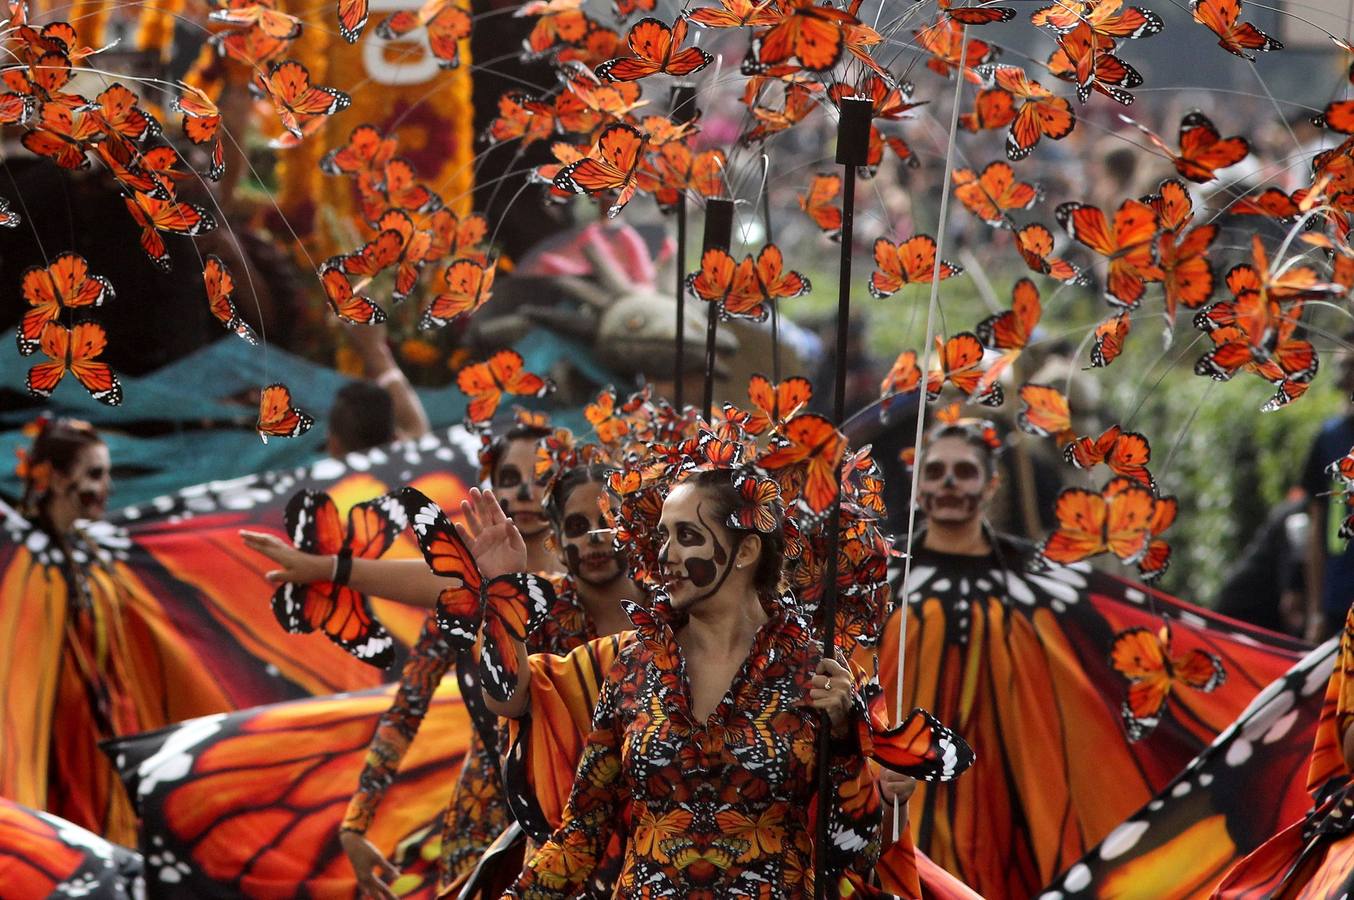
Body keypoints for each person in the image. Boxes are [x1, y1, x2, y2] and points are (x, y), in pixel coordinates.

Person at [876, 420, 1308, 898]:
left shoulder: (1040, 579)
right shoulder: (881, 581)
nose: (949, 484)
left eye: (964, 471)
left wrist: (1298, 678)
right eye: (935, 472)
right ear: (918, 486)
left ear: (992, 483)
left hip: (1012, 791)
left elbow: (1123, 636)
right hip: (905, 785)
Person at [483, 466, 881, 897]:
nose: (666, 555)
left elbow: (856, 852)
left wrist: (845, 737)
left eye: (687, 536)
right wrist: (499, 591)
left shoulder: (818, 673)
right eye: (664, 536)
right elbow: (581, 837)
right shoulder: (635, 662)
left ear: (745, 550)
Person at [1, 418, 234, 844]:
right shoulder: (25, 561)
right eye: (94, 474)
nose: (106, 487)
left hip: (114, 725)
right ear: (54, 478)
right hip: (59, 738)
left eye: (108, 474)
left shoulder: (99, 552)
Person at [1302, 332, 1354, 641]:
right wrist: (1316, 610)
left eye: (1349, 366)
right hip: (1339, 596)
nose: (1343, 376)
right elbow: (1316, 527)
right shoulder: (1328, 439)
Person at [327, 323, 431, 458]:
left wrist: (373, 349)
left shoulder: (319, 478)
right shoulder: (419, 469)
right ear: (396, 438)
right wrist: (375, 349)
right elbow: (416, 428)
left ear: (334, 446)